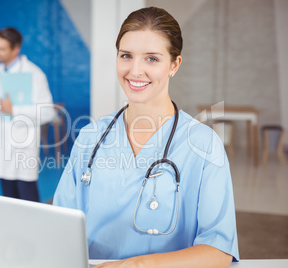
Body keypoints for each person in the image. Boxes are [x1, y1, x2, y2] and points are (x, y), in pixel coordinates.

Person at [53, 7, 239, 267]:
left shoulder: (204, 144)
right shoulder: (90, 137)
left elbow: (218, 253)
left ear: (174, 65)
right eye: (126, 55)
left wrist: (136, 266)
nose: (135, 70)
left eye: (152, 59)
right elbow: (58, 229)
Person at [0, 27, 55, 201]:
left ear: (15, 50)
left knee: (28, 201)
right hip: (1, 145)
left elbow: (48, 112)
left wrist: (14, 111)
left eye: (0, 49)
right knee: (9, 200)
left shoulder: (34, 74)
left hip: (22, 147)